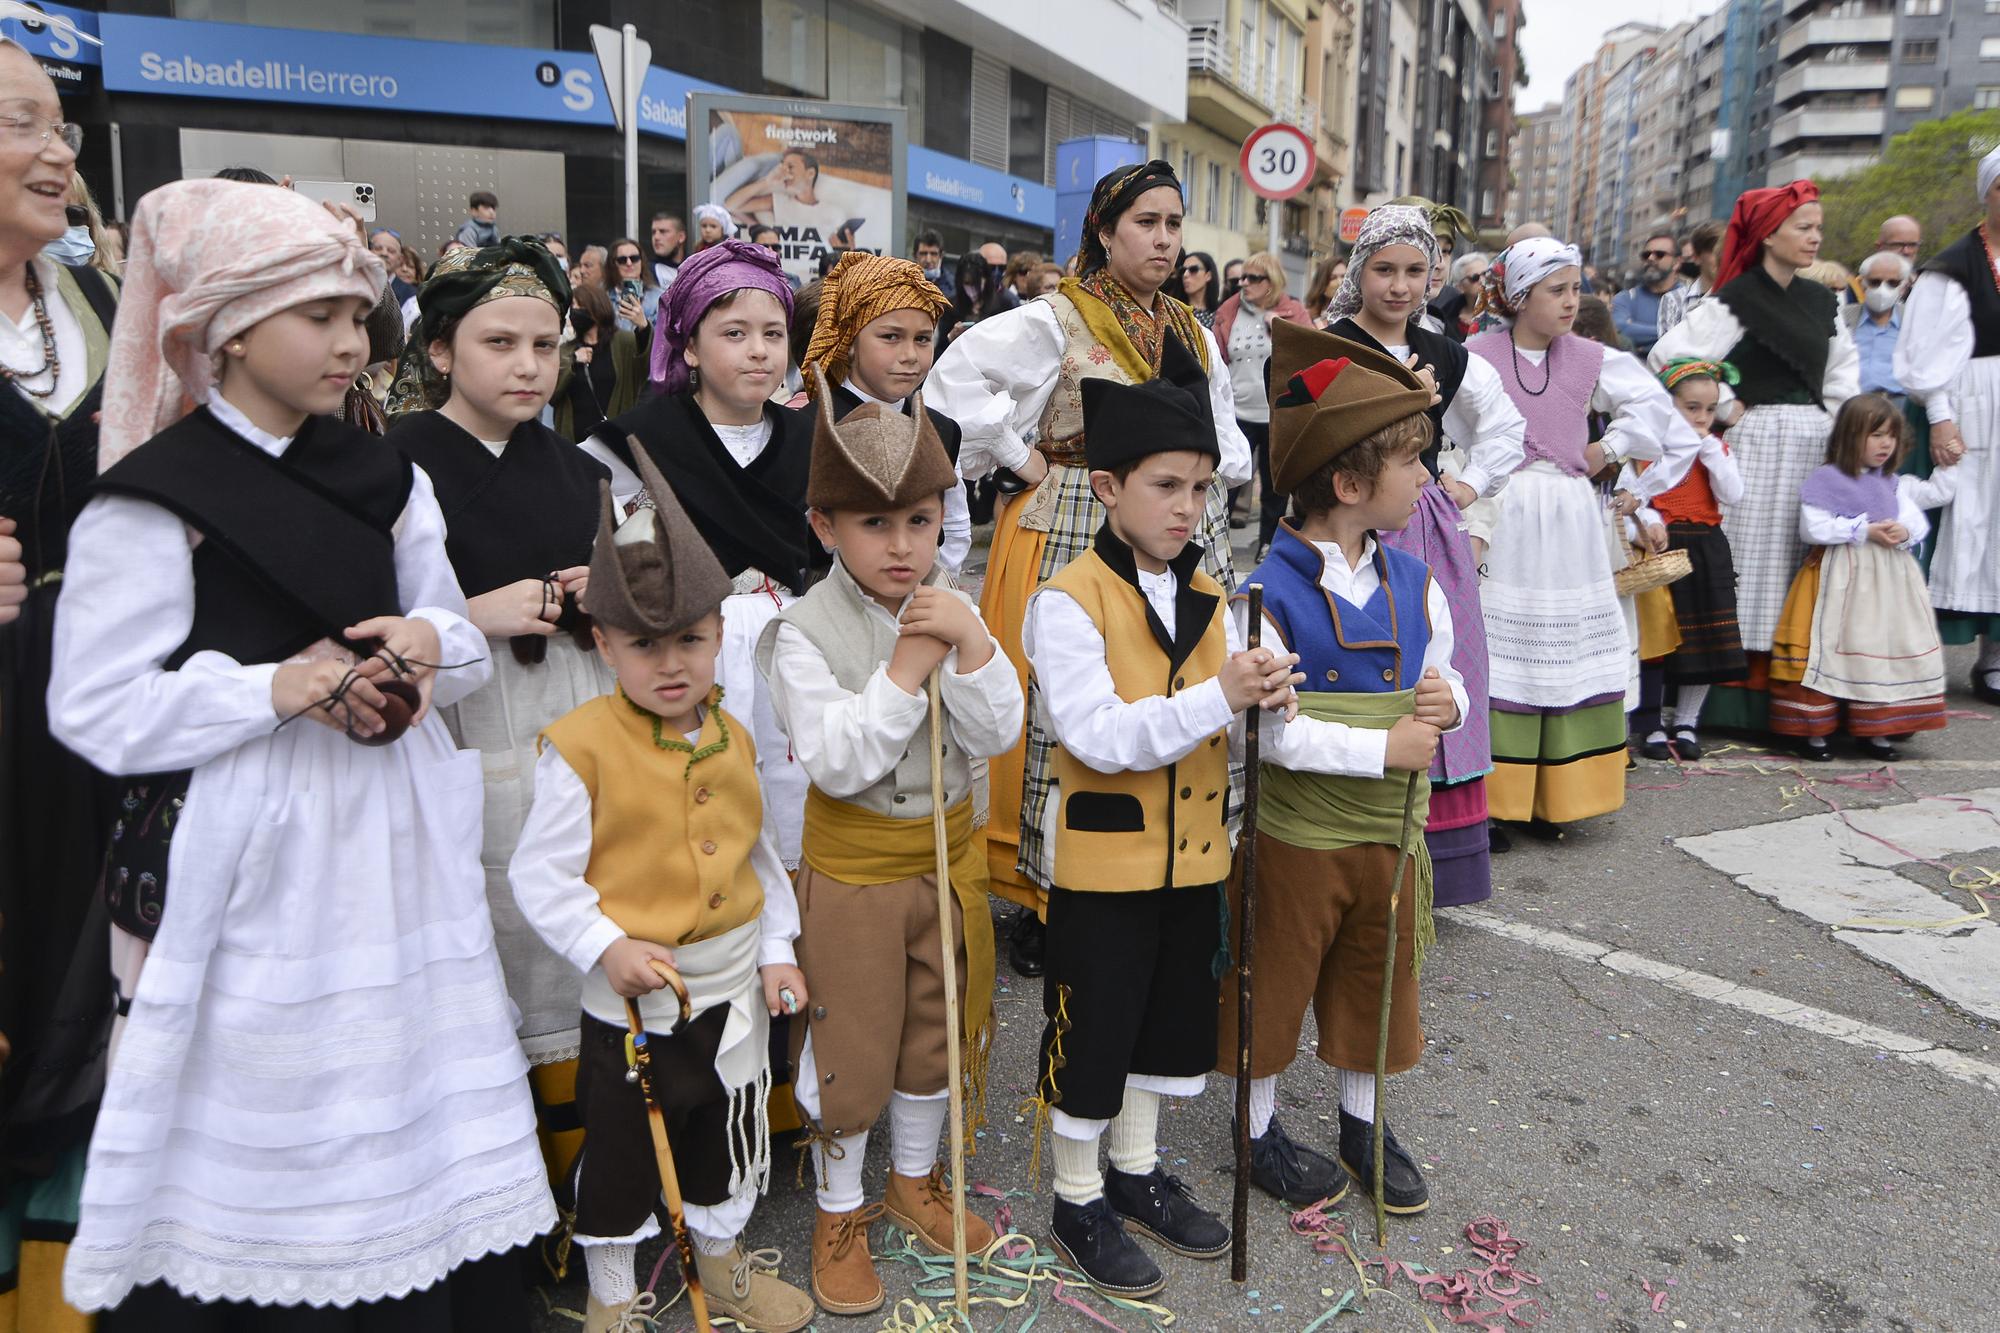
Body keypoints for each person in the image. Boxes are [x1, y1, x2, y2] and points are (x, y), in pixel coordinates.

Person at [51, 176, 552, 1321]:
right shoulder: (154, 497)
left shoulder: (389, 475)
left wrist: (427, 640)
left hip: (396, 834)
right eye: (317, 315)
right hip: (254, 850)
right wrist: (275, 687)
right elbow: (96, 705)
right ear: (225, 330)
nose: (350, 338)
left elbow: (459, 646)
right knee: (271, 1095)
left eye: (354, 313)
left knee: (407, 1078)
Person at [1019, 342, 1299, 1299]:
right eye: (1165, 485)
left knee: (1166, 1027)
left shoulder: (1219, 598)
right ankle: (1077, 1192)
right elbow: (1100, 737)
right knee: (1094, 1032)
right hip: (1104, 868)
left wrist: (1274, 694)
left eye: (1201, 487)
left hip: (1193, 859)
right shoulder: (1066, 601)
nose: (1186, 506)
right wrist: (1225, 693)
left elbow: (1243, 704)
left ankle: (1135, 1171)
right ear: (1106, 486)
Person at [925, 160, 1252, 980]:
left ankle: (1166, 861)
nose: (1165, 239)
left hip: (1179, 521)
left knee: (1166, 682)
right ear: (1105, 231)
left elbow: (1227, 436)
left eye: (1174, 224)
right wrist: (1018, 453)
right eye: (1147, 222)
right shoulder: (1052, 318)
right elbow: (953, 377)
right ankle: (1049, 890)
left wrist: (1206, 488)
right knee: (1065, 702)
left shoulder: (1192, 328)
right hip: (1073, 514)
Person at [510, 461, 814, 1333]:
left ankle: (717, 1259)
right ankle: (613, 1299)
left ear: (721, 632)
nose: (671, 663)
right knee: (623, 1157)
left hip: (729, 989)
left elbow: (757, 858)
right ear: (603, 643)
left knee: (720, 1133)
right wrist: (605, 945)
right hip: (634, 1005)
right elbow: (541, 875)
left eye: (689, 638)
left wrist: (778, 950)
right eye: (644, 644)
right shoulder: (578, 747)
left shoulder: (734, 732)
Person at [756, 368, 1022, 1316]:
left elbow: (997, 733)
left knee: (932, 1031)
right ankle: (839, 1207)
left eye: (920, 520)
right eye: (875, 524)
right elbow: (835, 761)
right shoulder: (802, 631)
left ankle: (914, 1180)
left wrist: (977, 649)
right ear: (826, 527)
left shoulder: (953, 602)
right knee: (852, 1046)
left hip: (946, 858)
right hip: (859, 869)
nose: (903, 546)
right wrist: (912, 667)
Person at [380, 237, 611, 1209]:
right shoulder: (392, 463)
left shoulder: (581, 463)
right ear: (438, 351)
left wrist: (610, 591)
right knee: (500, 929)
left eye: (545, 344)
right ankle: (511, 1199)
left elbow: (644, 582)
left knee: (579, 918)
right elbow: (368, 620)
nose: (527, 365)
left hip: (583, 713)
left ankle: (596, 1190)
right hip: (469, 723)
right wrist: (470, 615)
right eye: (499, 341)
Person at [1221, 330, 1465, 1216]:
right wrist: (1380, 747)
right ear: (1351, 486)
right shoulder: (1262, 599)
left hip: (1391, 830)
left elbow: (1450, 675)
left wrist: (1449, 705)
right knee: (1275, 980)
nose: (1427, 480)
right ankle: (1255, 1130)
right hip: (1299, 835)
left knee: (1379, 973)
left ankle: (1366, 1123)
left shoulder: (1417, 581)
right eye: (1414, 463)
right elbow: (1270, 738)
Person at [0, 39, 121, 1324]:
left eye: (63, 127)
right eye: (20, 125)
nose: (58, 150)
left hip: (85, 712)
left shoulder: (82, 307)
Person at [1321, 204, 1527, 900]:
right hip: (1344, 518)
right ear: (1360, 272)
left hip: (1424, 523)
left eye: (1415, 270)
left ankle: (1434, 857)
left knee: (1435, 656)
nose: (1400, 285)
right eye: (1384, 269)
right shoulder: (1328, 343)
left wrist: (1466, 486)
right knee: (1358, 655)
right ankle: (1351, 834)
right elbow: (1298, 427)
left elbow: (1505, 424)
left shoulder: (1446, 350)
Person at [1471, 237, 1698, 829]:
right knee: (1501, 644)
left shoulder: (1590, 359)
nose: (1573, 301)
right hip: (1505, 512)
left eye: (1576, 288)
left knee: (1566, 641)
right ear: (1519, 297)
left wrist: (1607, 447)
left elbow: (1655, 409)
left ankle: (1562, 795)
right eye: (1558, 290)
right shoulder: (1477, 354)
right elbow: (1448, 422)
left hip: (1568, 515)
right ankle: (1496, 798)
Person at [1651, 181, 1859, 735]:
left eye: (1818, 228)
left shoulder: (1821, 301)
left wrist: (1835, 428)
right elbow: (1669, 356)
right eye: (1803, 227)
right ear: (1769, 234)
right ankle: (1717, 701)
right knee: (1746, 566)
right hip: (1755, 444)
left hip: (1812, 444)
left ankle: (1787, 700)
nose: (1815, 238)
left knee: (1798, 561)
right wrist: (1721, 404)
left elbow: (1841, 374)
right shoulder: (1735, 299)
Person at [589, 238, 817, 599]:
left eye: (773, 334)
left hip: (786, 641)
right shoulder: (637, 441)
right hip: (676, 643)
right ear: (691, 348)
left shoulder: (810, 438)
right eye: (735, 333)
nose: (759, 351)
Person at [1769, 394, 1957, 760]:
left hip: (1888, 582)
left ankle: (1876, 730)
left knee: (1881, 648)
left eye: (1890, 436)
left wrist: (1905, 531)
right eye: (1875, 435)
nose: (1885, 444)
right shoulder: (1828, 479)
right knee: (1828, 646)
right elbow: (1813, 527)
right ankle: (1814, 731)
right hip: (1842, 575)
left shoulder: (1892, 482)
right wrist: (1863, 530)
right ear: (1850, 436)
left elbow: (1914, 518)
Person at [1896, 148, 2000, 703]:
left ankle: (1994, 660)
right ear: (1987, 193)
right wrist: (1941, 419)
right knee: (1961, 524)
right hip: (1971, 407)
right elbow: (1925, 356)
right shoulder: (1954, 267)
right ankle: (1917, 658)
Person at [801, 250, 971, 574]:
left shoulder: (942, 430)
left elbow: (955, 528)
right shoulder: (805, 429)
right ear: (849, 340)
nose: (910, 355)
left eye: (922, 339)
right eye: (890, 337)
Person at [1631, 360, 1747, 759]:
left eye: (1710, 409)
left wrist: (1711, 449)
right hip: (1663, 545)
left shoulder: (1715, 447)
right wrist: (1649, 519)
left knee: (1705, 635)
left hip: (1706, 545)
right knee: (1659, 636)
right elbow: (1636, 497)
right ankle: (1649, 721)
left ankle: (1687, 720)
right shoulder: (1651, 449)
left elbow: (1732, 493)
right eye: (1691, 408)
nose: (1701, 418)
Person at [1213, 250, 1312, 553]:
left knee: (1273, 487)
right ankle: (1217, 541)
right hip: (1237, 413)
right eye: (1242, 277)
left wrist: (1281, 326)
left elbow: (1310, 353)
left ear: (1272, 282)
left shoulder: (1293, 312)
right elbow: (1217, 358)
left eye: (1253, 278)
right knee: (1226, 479)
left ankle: (1268, 543)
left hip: (1276, 415)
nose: (1243, 283)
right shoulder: (1229, 311)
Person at [555, 281, 644, 442]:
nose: (573, 312)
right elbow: (552, 394)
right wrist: (573, 361)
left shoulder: (624, 343)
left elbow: (645, 364)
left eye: (576, 305)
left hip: (614, 440)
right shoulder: (566, 350)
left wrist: (643, 327)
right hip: (575, 444)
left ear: (594, 307)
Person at [1611, 231, 1682, 357]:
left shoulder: (1688, 298)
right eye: (1646, 254)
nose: (1651, 258)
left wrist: (1638, 331)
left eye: (1659, 254)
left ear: (1676, 263)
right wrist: (1675, 331)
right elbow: (1620, 329)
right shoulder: (1626, 298)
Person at [1855, 251, 1911, 397]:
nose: (1882, 290)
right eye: (1875, 282)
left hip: (1901, 403)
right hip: (1852, 405)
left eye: (1892, 283)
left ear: (1903, 287)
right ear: (1862, 283)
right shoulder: (1842, 319)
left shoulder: (1914, 321)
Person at [1656, 219, 1724, 337]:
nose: (1721, 258)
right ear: (1696, 257)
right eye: (1714, 252)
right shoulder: (1674, 301)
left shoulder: (1740, 298)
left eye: (1726, 252)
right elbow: (1667, 351)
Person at [610, 234, 663, 328]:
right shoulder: (604, 297)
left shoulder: (659, 298)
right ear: (614, 264)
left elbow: (662, 339)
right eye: (622, 260)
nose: (629, 263)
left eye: (634, 258)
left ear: (641, 261)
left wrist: (644, 326)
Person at [1436, 251, 1490, 340]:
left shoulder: (1505, 310)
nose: (1482, 280)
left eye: (1486, 274)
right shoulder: (1444, 317)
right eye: (1474, 278)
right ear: (1460, 287)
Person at [1180, 250, 1221, 328]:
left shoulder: (1222, 313)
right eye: (1183, 270)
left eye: (1193, 269)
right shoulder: (1175, 310)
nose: (1185, 275)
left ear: (1208, 275)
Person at [1301, 254, 1345, 323]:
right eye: (1333, 278)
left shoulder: (1353, 316)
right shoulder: (1305, 316)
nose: (1340, 282)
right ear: (1322, 282)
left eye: (1343, 277)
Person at [913, 229, 954, 298]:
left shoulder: (953, 286)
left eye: (933, 254)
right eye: (923, 253)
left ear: (941, 256)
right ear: (915, 256)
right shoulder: (905, 283)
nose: (928, 260)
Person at [650, 211, 686, 287]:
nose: (656, 237)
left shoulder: (695, 268)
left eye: (663, 232)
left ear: (681, 237)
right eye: (653, 232)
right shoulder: (646, 271)